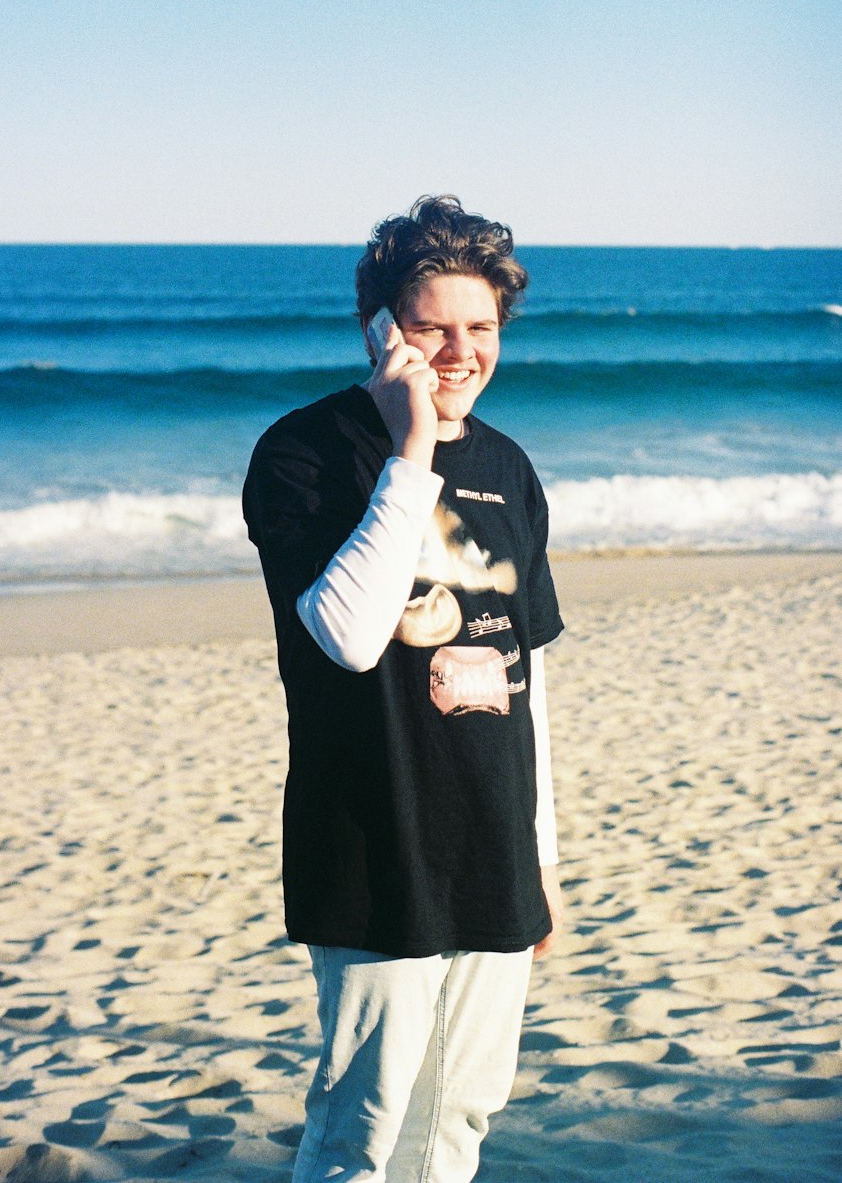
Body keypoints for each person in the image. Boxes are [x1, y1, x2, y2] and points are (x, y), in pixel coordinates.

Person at [243, 195, 564, 1182]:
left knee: (458, 1116)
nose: (461, 351)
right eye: (432, 327)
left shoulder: (510, 468)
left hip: (490, 847)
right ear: (380, 327)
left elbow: (528, 682)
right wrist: (411, 444)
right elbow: (344, 635)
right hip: (372, 854)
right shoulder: (304, 455)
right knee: (364, 1129)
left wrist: (542, 860)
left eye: (482, 328)